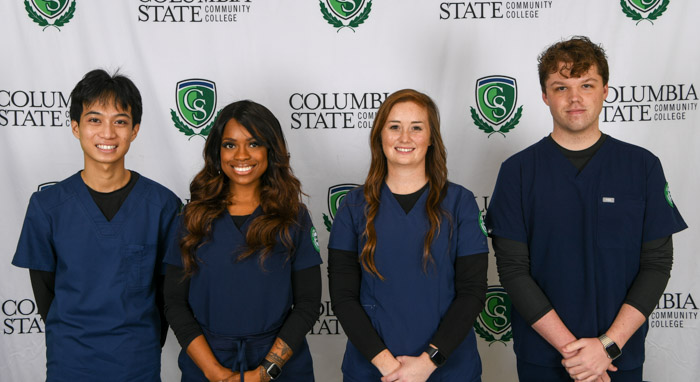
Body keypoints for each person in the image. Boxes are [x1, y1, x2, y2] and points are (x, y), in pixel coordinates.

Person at [485, 36, 687, 382]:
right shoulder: (517, 171)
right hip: (544, 359)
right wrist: (575, 353)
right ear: (545, 96)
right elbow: (513, 271)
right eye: (561, 87)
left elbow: (656, 264)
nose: (575, 98)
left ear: (605, 90)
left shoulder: (642, 166)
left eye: (587, 85)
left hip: (617, 360)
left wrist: (607, 346)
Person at [11, 69, 181, 381]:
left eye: (120, 121)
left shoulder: (163, 206)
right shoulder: (47, 207)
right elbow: (46, 296)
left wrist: (139, 347)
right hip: (70, 364)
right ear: (75, 127)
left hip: (137, 363)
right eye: (94, 119)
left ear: (135, 130)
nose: (107, 132)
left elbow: (166, 297)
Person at [328, 89, 488, 382]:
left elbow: (472, 292)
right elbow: (343, 298)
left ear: (431, 138)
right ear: (380, 135)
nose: (405, 138)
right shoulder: (352, 208)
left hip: (448, 370)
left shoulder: (460, 203)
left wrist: (429, 362)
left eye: (416, 128)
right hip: (373, 370)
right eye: (394, 127)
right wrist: (388, 366)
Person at [163, 100, 322, 382]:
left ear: (270, 149)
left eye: (253, 143)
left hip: (280, 368)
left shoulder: (294, 217)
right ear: (217, 151)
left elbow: (308, 303)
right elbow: (175, 303)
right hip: (207, 366)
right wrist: (213, 372)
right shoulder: (192, 217)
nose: (241, 155)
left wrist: (265, 372)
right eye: (229, 145)